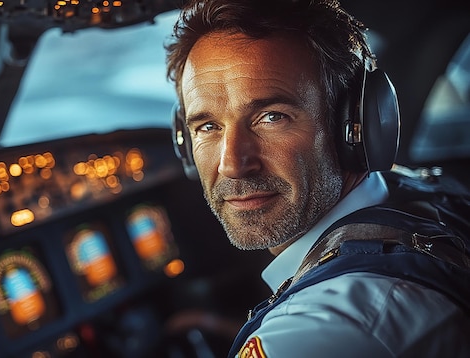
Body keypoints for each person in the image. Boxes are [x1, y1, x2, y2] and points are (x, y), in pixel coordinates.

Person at [164, 0, 470, 357]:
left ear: (357, 125)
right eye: (208, 126)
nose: (232, 164)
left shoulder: (329, 323)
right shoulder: (423, 194)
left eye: (271, 117)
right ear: (185, 142)